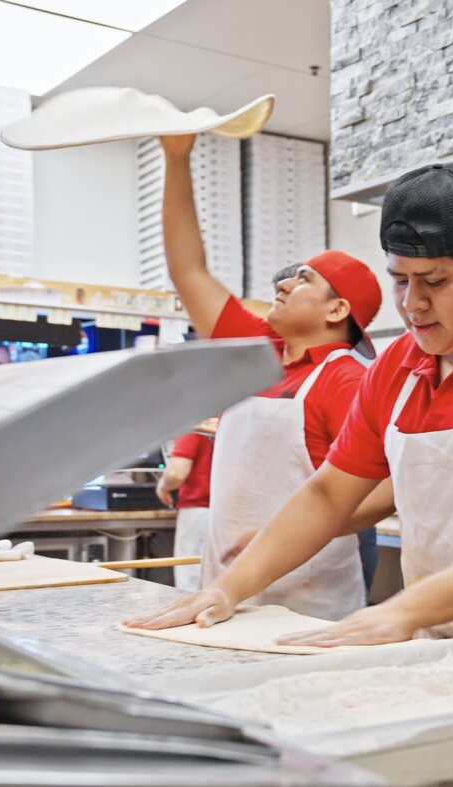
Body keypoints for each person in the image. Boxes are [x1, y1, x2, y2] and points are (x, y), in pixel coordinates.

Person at [126, 160, 453, 644]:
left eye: (435, 281)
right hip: (444, 637)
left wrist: (400, 611)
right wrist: (227, 589)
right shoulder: (398, 368)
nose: (413, 304)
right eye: (400, 279)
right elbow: (328, 495)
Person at [133, 133, 390, 621]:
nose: (284, 283)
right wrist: (177, 157)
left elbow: (384, 490)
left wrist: (291, 533)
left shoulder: (348, 381)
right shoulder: (258, 353)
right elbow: (188, 271)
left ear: (337, 310)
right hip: (224, 589)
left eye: (305, 279)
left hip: (307, 599)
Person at [156, 424, 215, 592]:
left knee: (191, 580)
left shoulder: (194, 425)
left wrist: (163, 486)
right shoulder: (229, 419)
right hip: (232, 511)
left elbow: (176, 473)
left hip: (198, 512)